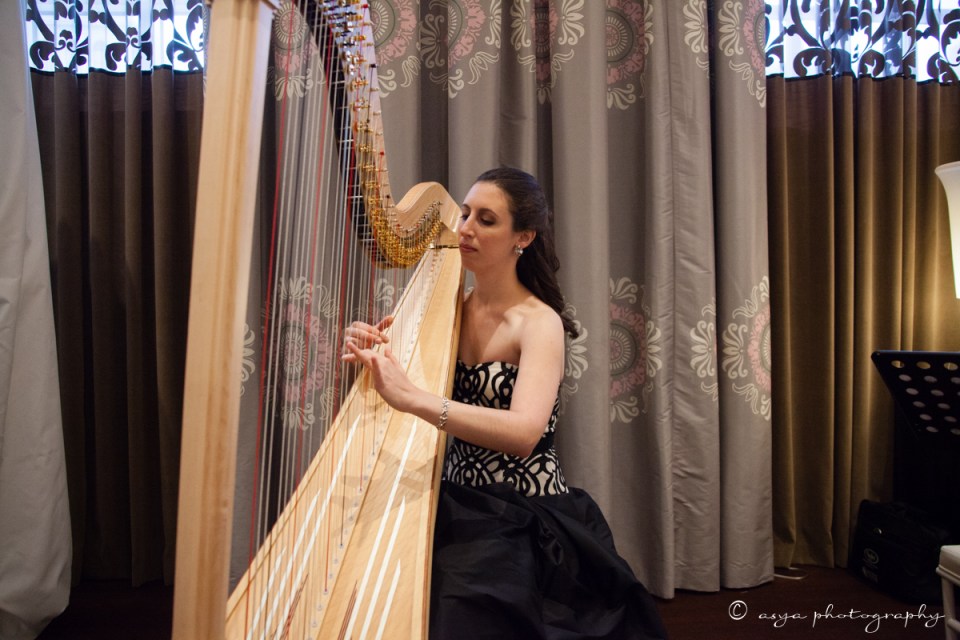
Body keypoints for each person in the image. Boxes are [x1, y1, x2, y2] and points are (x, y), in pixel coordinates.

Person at [343, 167, 667, 639]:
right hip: (454, 501)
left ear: (524, 237)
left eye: (487, 219)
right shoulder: (444, 311)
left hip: (523, 512)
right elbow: (394, 391)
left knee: (462, 611)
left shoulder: (538, 323)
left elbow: (524, 433)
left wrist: (415, 399)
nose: (466, 228)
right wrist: (369, 356)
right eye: (466, 214)